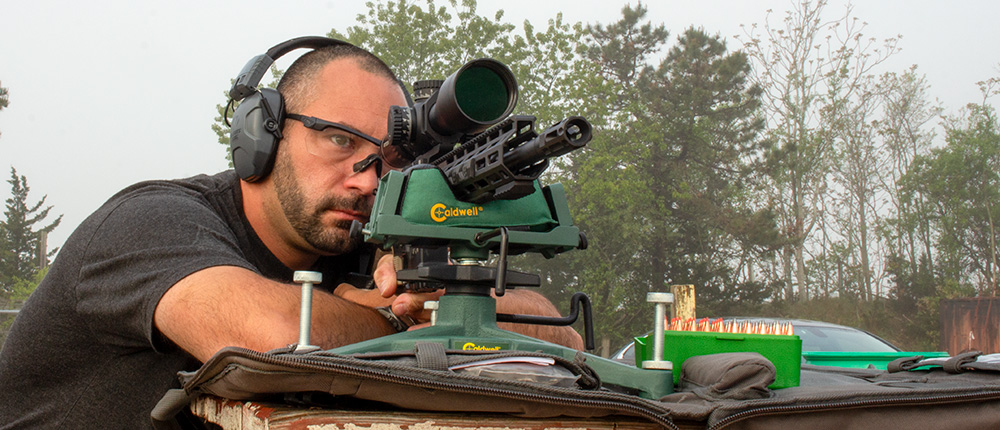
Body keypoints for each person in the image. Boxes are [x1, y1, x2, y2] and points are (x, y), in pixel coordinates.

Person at [0, 40, 583, 429]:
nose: (367, 178)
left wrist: (444, 294)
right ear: (263, 133)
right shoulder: (150, 222)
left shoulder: (363, 242)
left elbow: (559, 340)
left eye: (389, 157)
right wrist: (400, 317)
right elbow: (277, 335)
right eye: (338, 139)